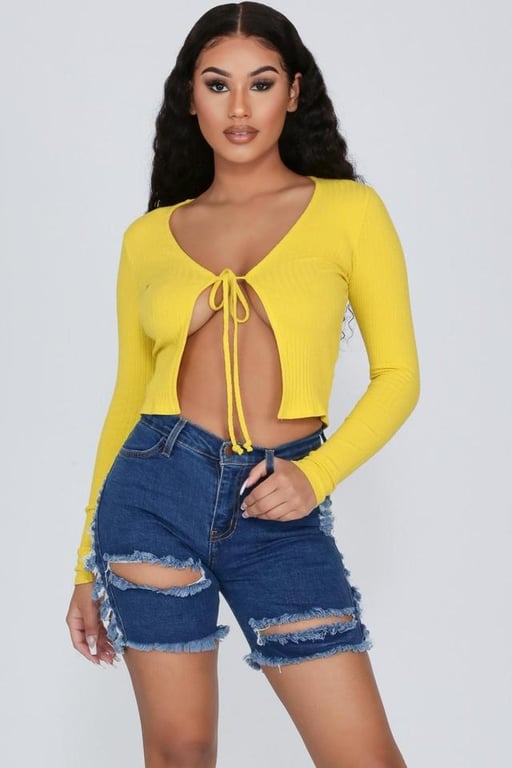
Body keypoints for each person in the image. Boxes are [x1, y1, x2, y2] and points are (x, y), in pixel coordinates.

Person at [65, 2, 420, 766]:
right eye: (217, 84)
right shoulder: (148, 237)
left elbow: (398, 377)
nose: (238, 107)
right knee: (181, 753)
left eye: (260, 83)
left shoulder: (349, 211)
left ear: (293, 92)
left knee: (365, 757)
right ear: (190, 97)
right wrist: (83, 565)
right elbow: (128, 399)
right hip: (153, 495)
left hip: (279, 505)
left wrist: (316, 475)